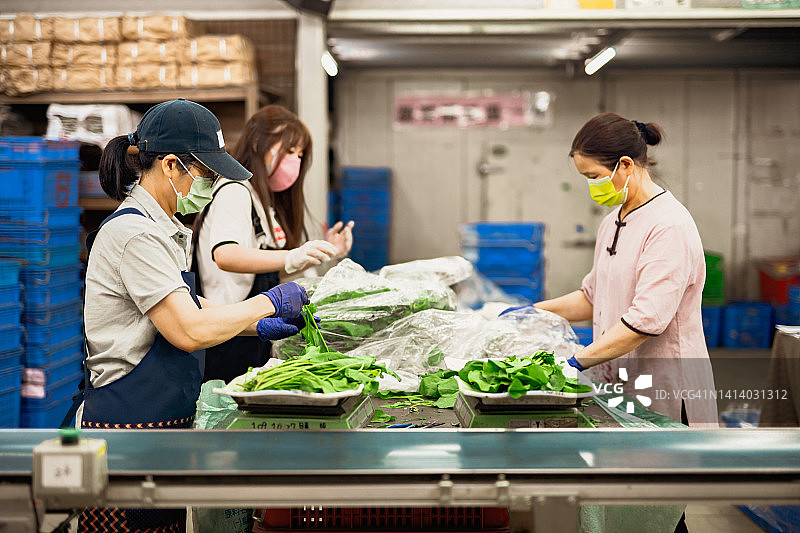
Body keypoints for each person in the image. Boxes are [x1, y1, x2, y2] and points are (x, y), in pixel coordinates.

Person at [73, 99, 310, 532]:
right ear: (170, 165)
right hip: (125, 432)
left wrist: (255, 325)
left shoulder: (162, 228)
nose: (211, 185)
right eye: (206, 173)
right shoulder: (134, 234)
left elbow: (190, 306)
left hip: (156, 428)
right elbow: (186, 330)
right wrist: (268, 302)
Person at [529, 112, 718, 430]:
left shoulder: (668, 225)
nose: (592, 186)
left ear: (626, 165)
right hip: (622, 385)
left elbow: (645, 321)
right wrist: (533, 312)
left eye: (594, 176)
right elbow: (593, 297)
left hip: (666, 389)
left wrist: (575, 363)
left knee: (664, 459)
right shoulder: (612, 221)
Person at [193, 104, 353, 382]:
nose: (296, 162)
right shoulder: (235, 191)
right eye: (289, 151)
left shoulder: (262, 201)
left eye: (300, 155)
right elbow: (226, 254)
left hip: (249, 334)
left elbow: (268, 272)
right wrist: (292, 255)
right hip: (225, 341)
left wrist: (322, 253)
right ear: (258, 143)